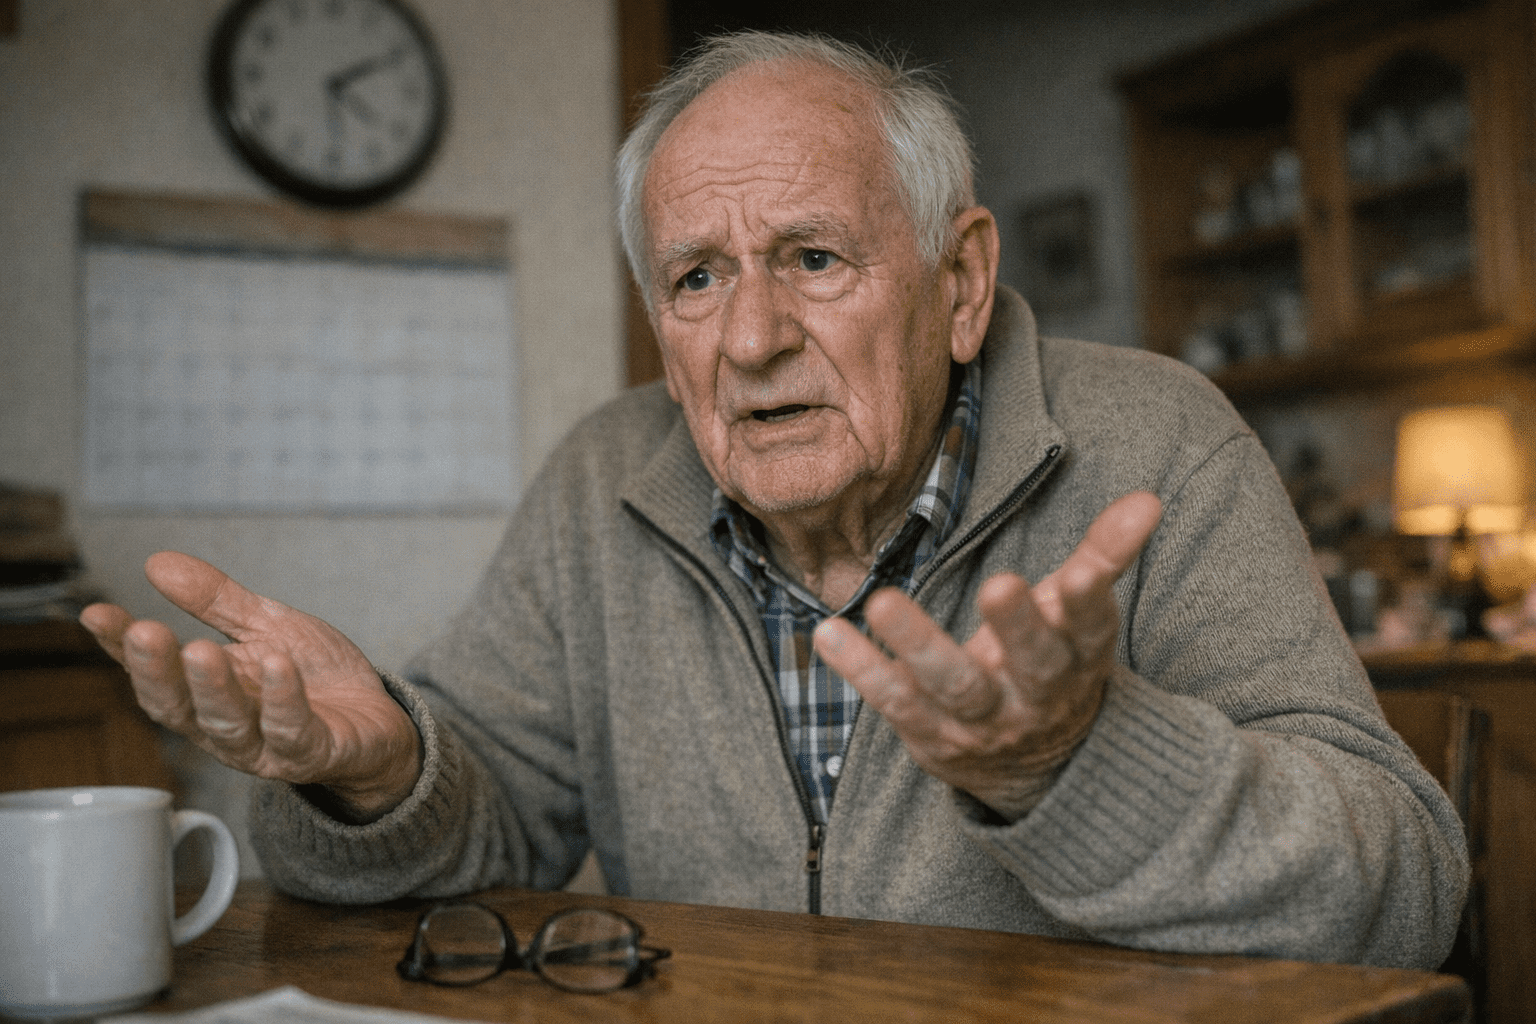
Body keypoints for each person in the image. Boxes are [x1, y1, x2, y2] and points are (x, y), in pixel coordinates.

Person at [81, 31, 1467, 969]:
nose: (748, 341)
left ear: (963, 283)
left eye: (811, 257)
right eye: (696, 278)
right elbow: (489, 826)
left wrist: (1075, 765)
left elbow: (1404, 894)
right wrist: (380, 775)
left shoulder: (1158, 443)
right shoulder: (604, 481)